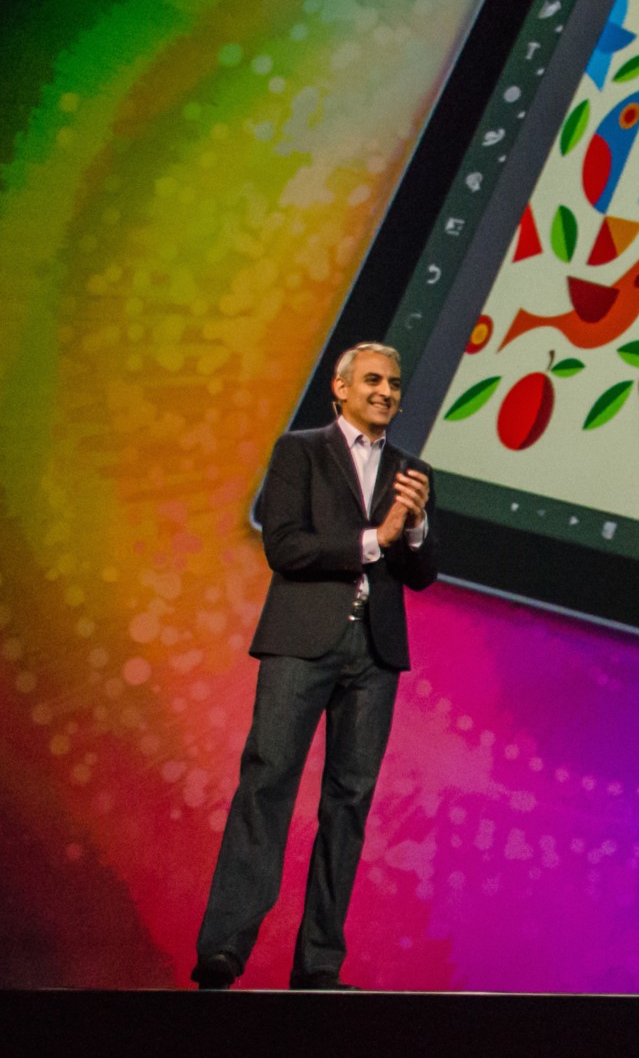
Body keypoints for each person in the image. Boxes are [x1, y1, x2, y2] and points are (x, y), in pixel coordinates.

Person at [191, 342, 437, 990]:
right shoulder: (299, 450)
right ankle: (225, 945)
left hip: (375, 653)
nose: (386, 390)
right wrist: (373, 538)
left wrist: (413, 530)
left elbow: (421, 574)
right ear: (341, 387)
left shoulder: (411, 470)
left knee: (348, 803)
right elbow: (285, 546)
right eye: (374, 379)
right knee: (268, 782)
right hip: (301, 641)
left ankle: (319, 962)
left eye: (395, 382)